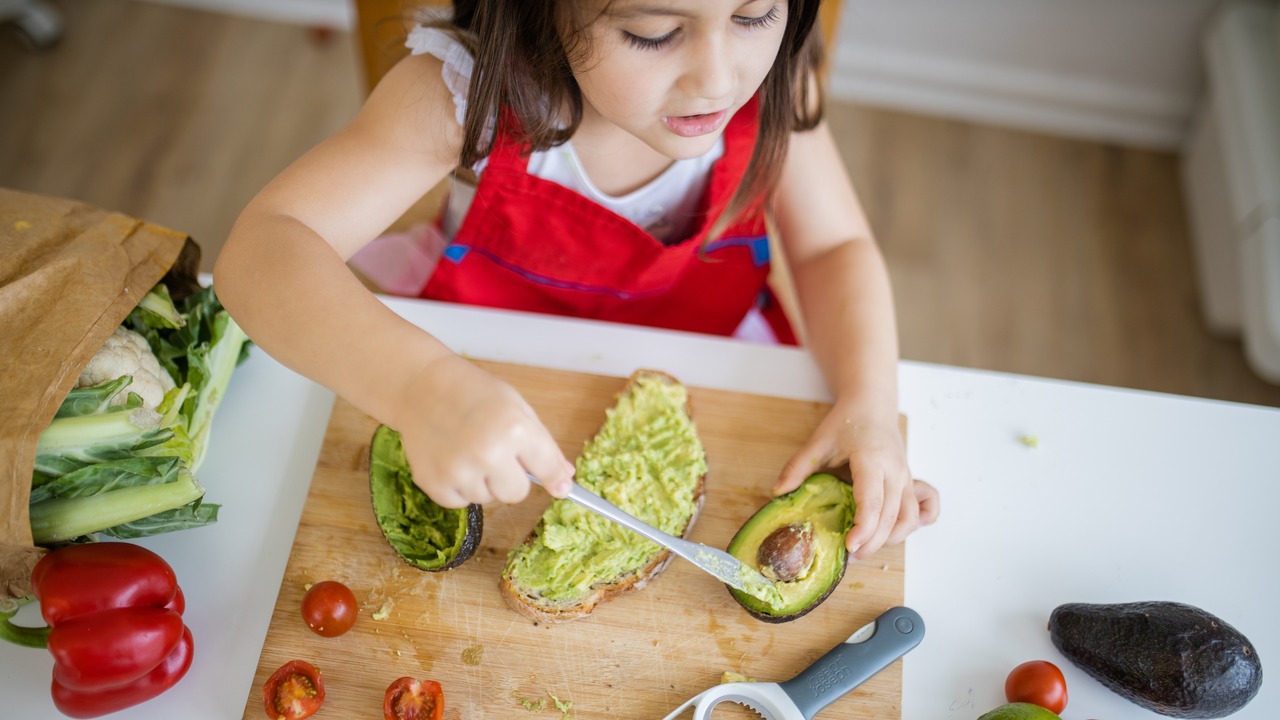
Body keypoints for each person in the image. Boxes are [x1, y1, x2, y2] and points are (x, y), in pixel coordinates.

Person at [213, 0, 940, 562]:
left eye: (755, 15)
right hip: (476, 388)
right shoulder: (462, 93)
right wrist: (419, 387)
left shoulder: (774, 80)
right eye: (655, 32)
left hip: (705, 358)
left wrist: (871, 403)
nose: (719, 78)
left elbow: (833, 246)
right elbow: (263, 250)